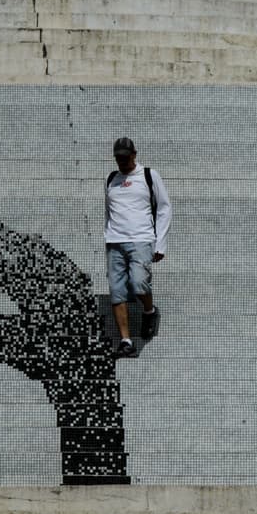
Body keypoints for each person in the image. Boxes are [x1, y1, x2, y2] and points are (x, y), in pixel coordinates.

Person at [104, 136, 172, 356]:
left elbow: (164, 208)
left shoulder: (148, 176)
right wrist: (108, 235)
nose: (122, 161)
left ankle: (149, 311)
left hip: (141, 239)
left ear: (134, 154)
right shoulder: (111, 179)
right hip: (114, 242)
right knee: (117, 291)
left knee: (138, 283)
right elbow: (109, 211)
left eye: (125, 157)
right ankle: (126, 341)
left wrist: (160, 244)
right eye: (118, 158)